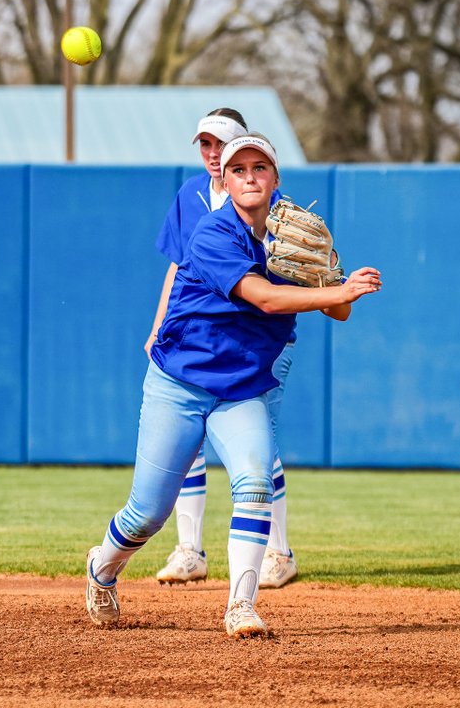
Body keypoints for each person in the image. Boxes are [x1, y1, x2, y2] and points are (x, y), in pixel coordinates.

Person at [87, 133, 382, 637]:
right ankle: (102, 568)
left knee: (254, 482)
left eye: (259, 167)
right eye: (238, 169)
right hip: (180, 383)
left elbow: (340, 310)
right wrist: (338, 287)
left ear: (275, 178)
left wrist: (333, 280)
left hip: (243, 387)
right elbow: (264, 297)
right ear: (223, 179)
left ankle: (241, 606)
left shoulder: (296, 230)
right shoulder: (211, 233)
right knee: (147, 514)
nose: (249, 176)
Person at [145, 109, 300, 590]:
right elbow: (177, 267)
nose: (213, 154)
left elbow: (277, 291)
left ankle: (279, 552)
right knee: (186, 443)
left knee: (260, 446)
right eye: (206, 145)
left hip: (256, 349)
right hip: (198, 345)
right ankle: (190, 549)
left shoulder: (274, 205)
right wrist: (159, 327)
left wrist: (335, 292)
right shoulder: (191, 195)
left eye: (223, 145)